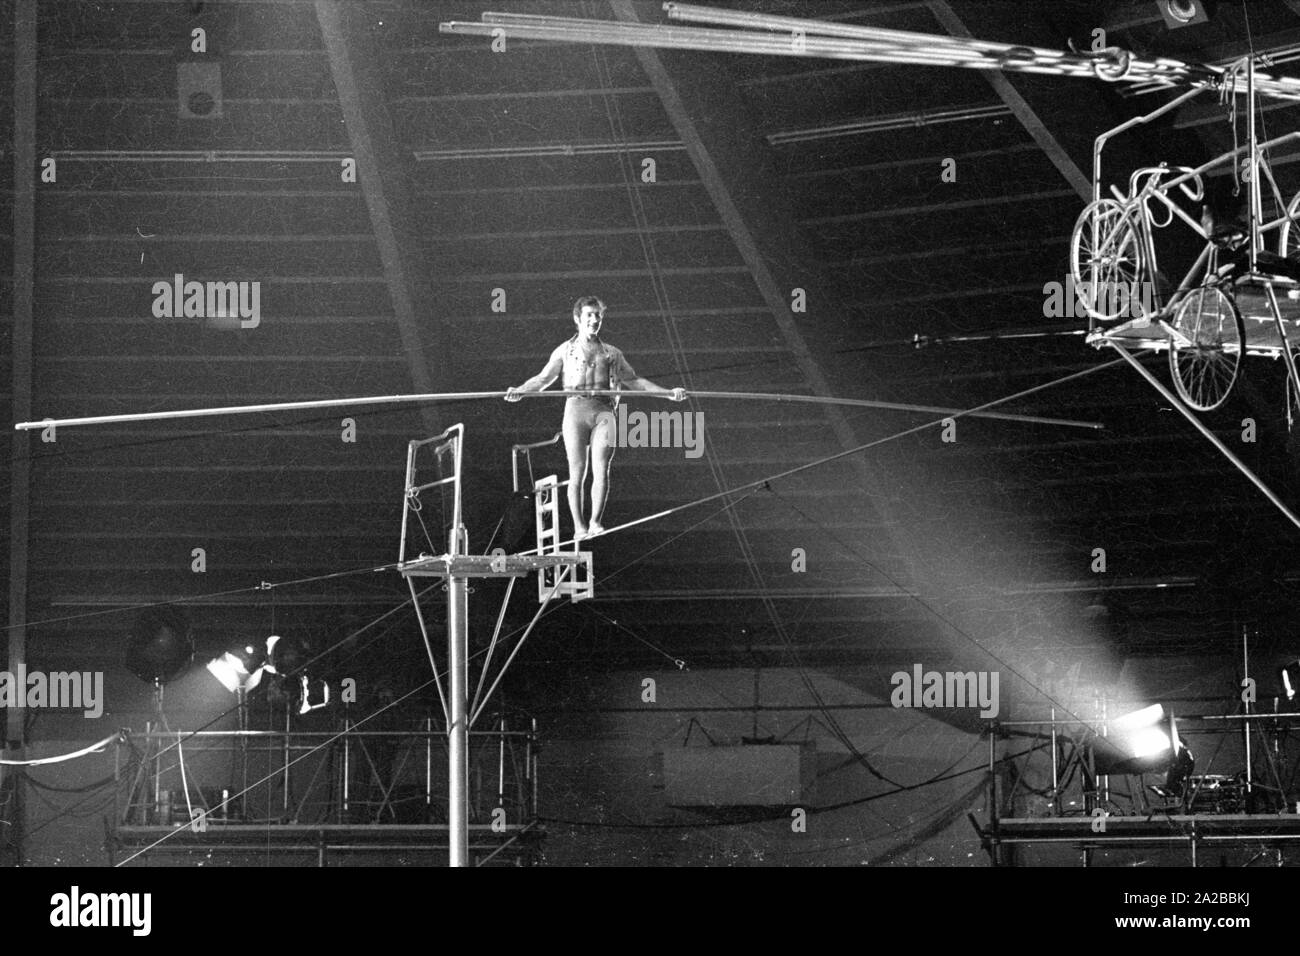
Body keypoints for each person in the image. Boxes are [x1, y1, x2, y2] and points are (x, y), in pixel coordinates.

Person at [506, 296, 684, 539]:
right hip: (576, 411)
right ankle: (579, 526)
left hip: (603, 411)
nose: (594, 320)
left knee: (601, 467)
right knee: (577, 470)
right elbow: (543, 379)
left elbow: (634, 381)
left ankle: (595, 521)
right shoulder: (565, 350)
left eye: (598, 315)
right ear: (578, 319)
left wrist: (668, 394)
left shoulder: (612, 353)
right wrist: (520, 391)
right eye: (589, 315)